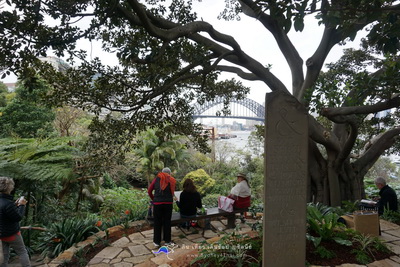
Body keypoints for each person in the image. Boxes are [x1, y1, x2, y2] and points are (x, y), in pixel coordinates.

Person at [0, 176, 30, 267]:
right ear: (10, 187)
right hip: (12, 234)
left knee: (4, 255)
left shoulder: (7, 203)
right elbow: (18, 217)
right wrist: (22, 205)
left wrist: (15, 205)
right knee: (22, 252)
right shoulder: (8, 203)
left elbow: (4, 214)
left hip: (1, 234)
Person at [147, 167, 176, 247]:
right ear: (169, 173)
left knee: (157, 222)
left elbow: (149, 191)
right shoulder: (172, 180)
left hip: (157, 204)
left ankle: (156, 242)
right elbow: (172, 192)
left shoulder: (156, 179)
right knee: (167, 221)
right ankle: (167, 241)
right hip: (168, 204)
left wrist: (154, 199)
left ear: (162, 172)